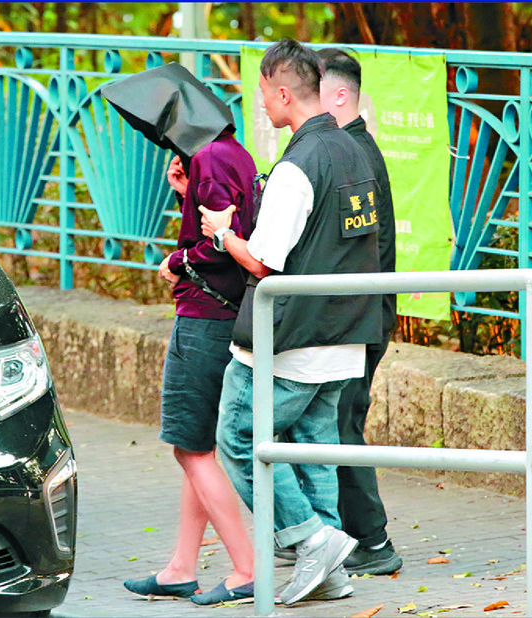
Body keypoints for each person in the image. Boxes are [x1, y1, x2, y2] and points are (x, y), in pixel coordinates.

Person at [198, 38, 383, 606]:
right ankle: (331, 572)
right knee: (312, 444)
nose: (262, 106)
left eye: (262, 94)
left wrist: (223, 234)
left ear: (282, 91)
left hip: (291, 342)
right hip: (346, 335)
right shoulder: (356, 149)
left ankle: (311, 538)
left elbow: (263, 260)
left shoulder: (296, 166)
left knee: (237, 436)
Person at [122, 130, 259, 605]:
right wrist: (186, 191)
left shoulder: (209, 157)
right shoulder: (232, 154)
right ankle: (181, 567)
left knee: (190, 450)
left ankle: (247, 568)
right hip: (224, 317)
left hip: (204, 318)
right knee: (197, 448)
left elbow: (218, 244)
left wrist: (178, 259)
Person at [316, 47, 402, 576]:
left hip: (360, 317)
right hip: (359, 314)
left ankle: (373, 542)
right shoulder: (349, 149)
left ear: (340, 95)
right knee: (332, 422)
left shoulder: (354, 155)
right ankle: (335, 535)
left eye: (314, 89)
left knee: (342, 422)